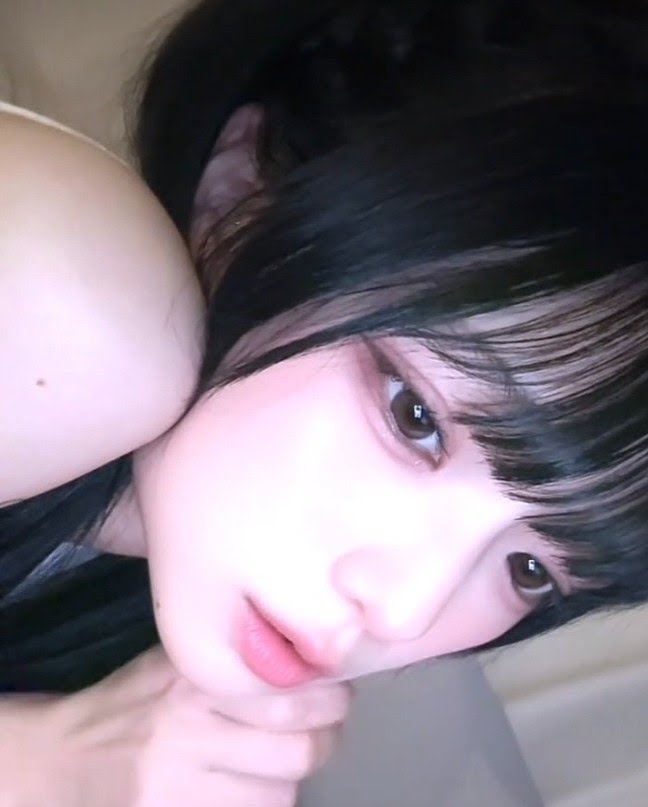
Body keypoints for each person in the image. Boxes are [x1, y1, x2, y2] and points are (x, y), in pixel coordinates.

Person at [2, 0, 647, 804]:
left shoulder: (147, 642)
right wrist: (39, 763)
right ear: (238, 192)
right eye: (415, 418)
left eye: (532, 570)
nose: (406, 611)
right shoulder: (68, 294)